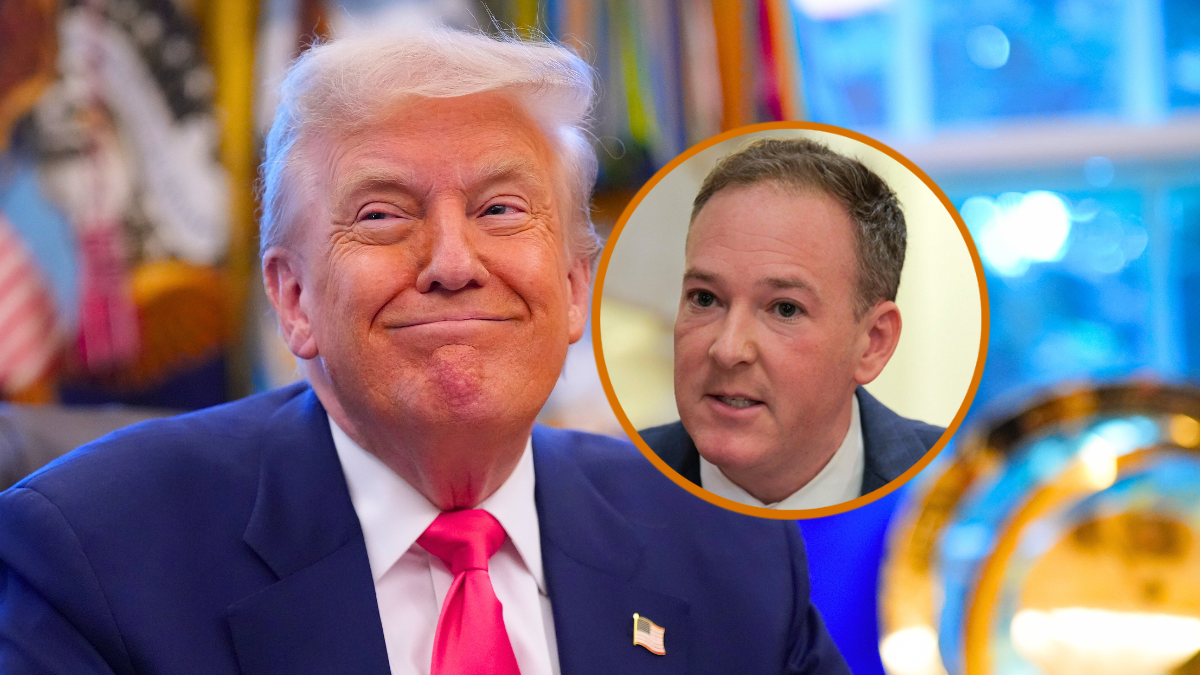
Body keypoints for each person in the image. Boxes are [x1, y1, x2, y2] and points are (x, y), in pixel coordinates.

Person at [0, 32, 851, 675]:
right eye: (381, 214)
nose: (452, 263)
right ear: (293, 298)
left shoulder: (731, 554)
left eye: (501, 210)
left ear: (574, 284)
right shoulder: (90, 555)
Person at [640, 137, 945, 511]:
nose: (728, 349)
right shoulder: (606, 493)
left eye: (785, 309)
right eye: (705, 299)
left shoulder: (959, 493)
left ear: (873, 342)